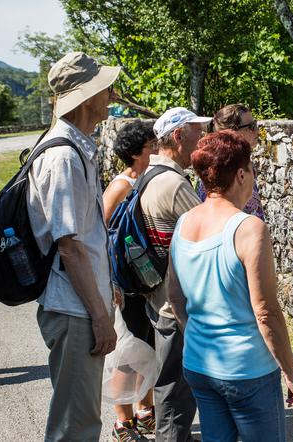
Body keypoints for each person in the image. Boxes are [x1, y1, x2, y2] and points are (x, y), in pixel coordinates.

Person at [167, 130, 293, 441]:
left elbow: (175, 295)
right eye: (252, 169)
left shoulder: (185, 222)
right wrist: (291, 373)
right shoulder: (248, 228)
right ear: (241, 174)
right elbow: (266, 312)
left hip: (200, 364)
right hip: (247, 369)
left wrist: (196, 333)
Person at [26, 52, 119, 441]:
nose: (111, 93)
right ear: (84, 97)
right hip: (75, 308)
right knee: (76, 426)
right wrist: (99, 314)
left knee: (79, 419)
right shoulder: (64, 155)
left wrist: (106, 289)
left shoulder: (75, 148)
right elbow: (69, 246)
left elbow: (84, 238)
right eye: (103, 86)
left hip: (78, 304)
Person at [141, 106, 210, 441]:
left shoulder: (149, 175)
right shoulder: (172, 183)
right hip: (176, 304)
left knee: (172, 383)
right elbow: (212, 233)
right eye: (198, 132)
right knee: (175, 389)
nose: (202, 138)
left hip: (158, 296)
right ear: (179, 135)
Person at [102, 119, 157, 441]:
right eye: (151, 147)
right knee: (128, 350)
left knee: (145, 346)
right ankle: (123, 420)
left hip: (141, 280)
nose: (155, 151)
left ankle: (145, 410)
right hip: (124, 283)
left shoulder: (145, 180)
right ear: (138, 153)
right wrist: (111, 281)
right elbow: (100, 232)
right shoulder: (121, 185)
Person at [202, 103, 265, 220]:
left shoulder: (239, 163)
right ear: (233, 132)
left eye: (255, 124)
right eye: (251, 126)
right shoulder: (222, 170)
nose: (257, 130)